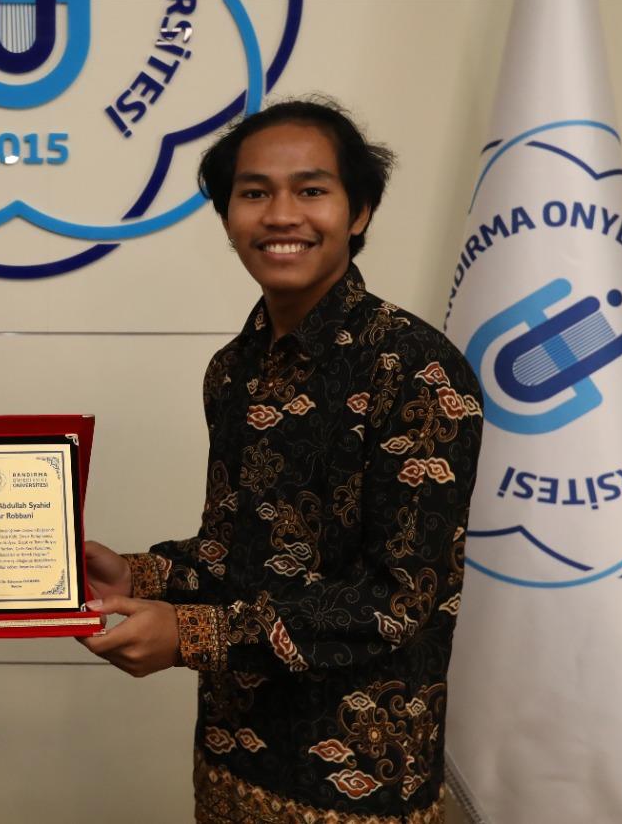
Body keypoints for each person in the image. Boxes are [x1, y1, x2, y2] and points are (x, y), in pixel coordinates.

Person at [84, 99, 483, 823]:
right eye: (254, 192)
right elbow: (235, 549)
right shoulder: (233, 369)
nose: (280, 215)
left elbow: (399, 599)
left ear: (359, 211)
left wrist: (192, 634)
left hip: (359, 779)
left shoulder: (415, 369)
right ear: (228, 215)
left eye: (311, 189)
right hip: (233, 754)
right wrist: (136, 574)